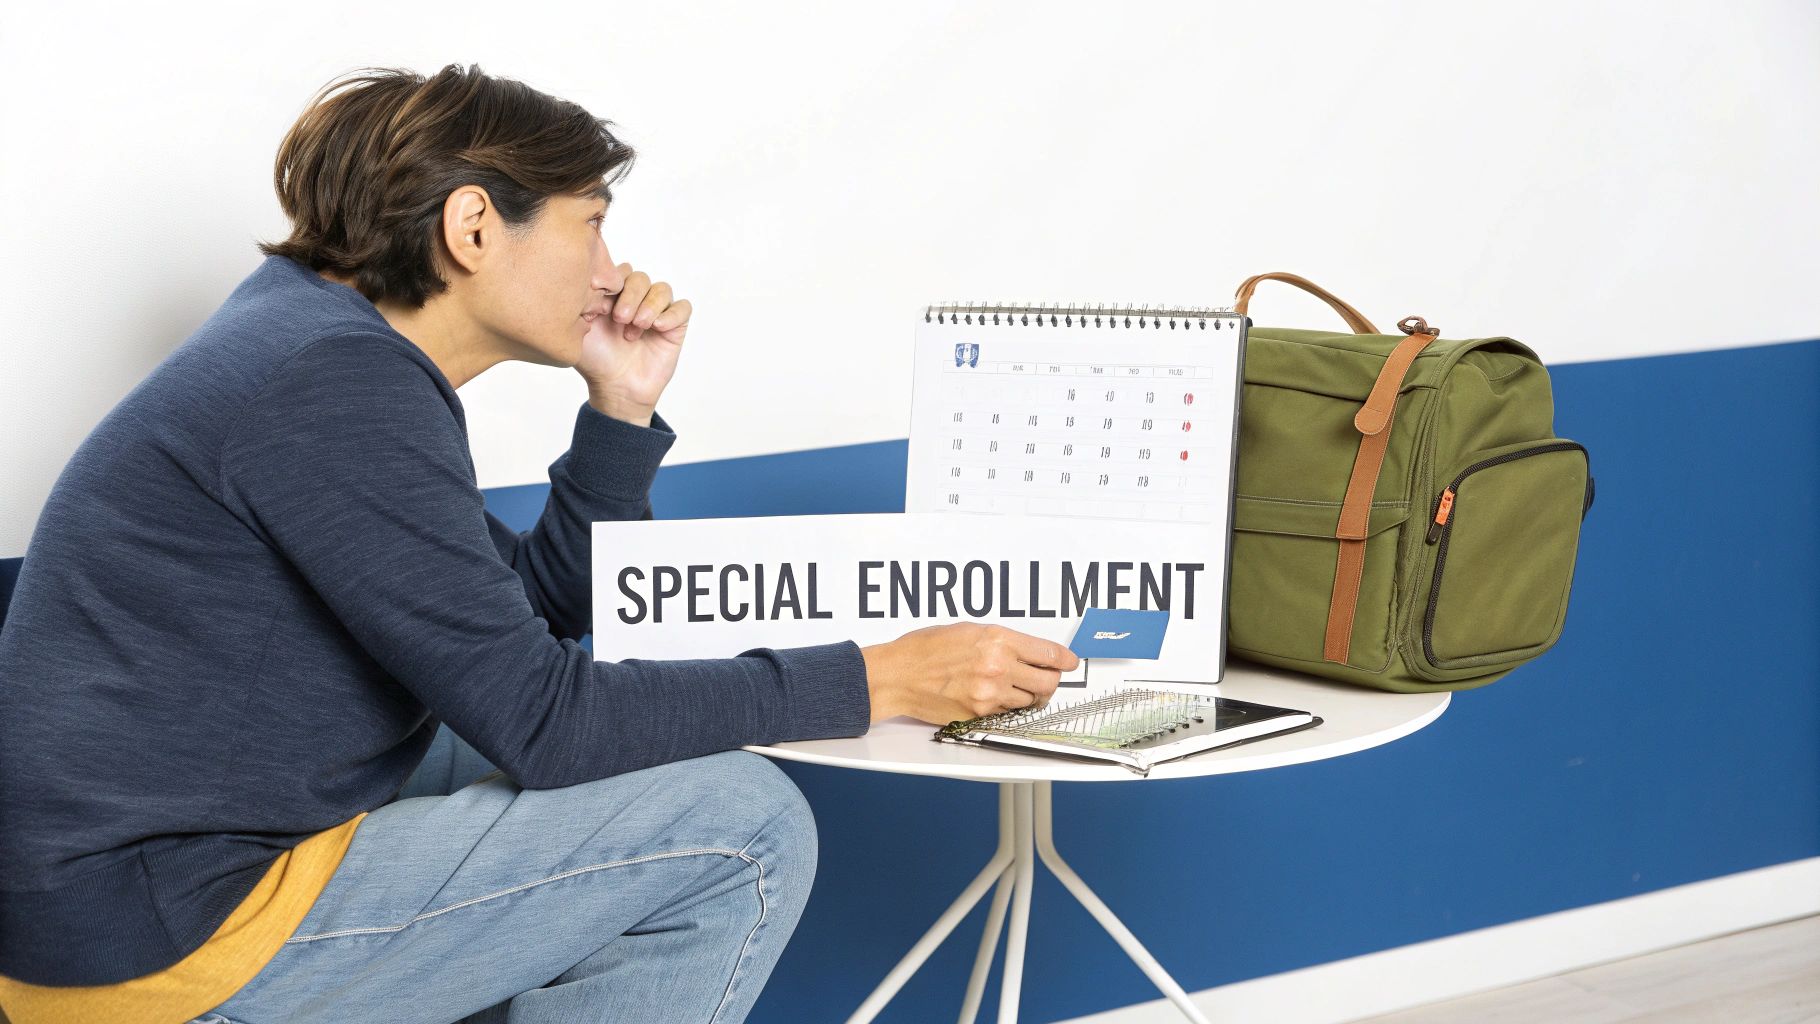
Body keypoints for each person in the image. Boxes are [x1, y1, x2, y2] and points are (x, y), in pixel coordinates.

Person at [0, 63, 1078, 1024]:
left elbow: (532, 618)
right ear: (472, 227)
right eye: (590, 223)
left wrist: (618, 409)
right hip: (152, 935)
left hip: (146, 874)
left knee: (595, 755)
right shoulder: (330, 383)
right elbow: (549, 720)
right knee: (740, 824)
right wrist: (880, 677)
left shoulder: (309, 342)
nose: (610, 269)